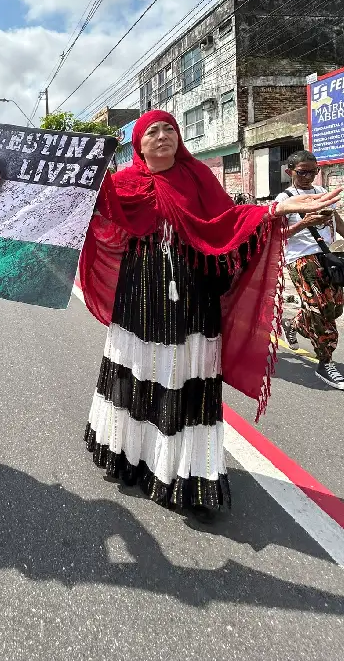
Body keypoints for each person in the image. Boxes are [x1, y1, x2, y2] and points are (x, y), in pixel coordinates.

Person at [79, 111, 340, 521]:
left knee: (187, 374)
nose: (163, 136)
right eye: (153, 131)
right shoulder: (119, 184)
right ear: (138, 143)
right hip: (139, 294)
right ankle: (129, 454)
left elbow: (228, 224)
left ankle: (190, 476)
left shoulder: (198, 176)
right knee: (139, 368)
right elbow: (88, 215)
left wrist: (276, 212)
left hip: (192, 294)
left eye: (170, 129)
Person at [277, 150, 344, 389]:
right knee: (321, 310)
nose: (308, 177)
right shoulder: (284, 200)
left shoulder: (322, 193)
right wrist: (305, 223)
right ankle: (325, 363)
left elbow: (335, 218)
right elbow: (277, 235)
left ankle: (294, 324)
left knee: (335, 307)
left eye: (313, 172)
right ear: (290, 172)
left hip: (329, 256)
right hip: (301, 259)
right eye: (302, 172)